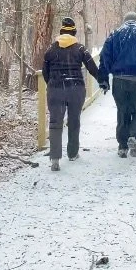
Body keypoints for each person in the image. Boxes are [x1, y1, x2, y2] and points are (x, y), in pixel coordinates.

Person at [97, 11, 136, 158]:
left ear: (124, 21)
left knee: (123, 112)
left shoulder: (115, 34)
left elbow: (105, 57)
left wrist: (104, 77)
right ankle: (134, 137)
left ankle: (122, 146)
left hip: (119, 80)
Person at [42, 17, 100, 171]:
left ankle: (55, 157)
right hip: (75, 89)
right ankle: (73, 153)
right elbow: (92, 67)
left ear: (60, 32)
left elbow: (45, 72)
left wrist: (53, 84)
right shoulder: (80, 49)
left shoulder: (51, 49)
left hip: (56, 89)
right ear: (74, 32)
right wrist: (103, 81)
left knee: (55, 122)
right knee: (74, 121)